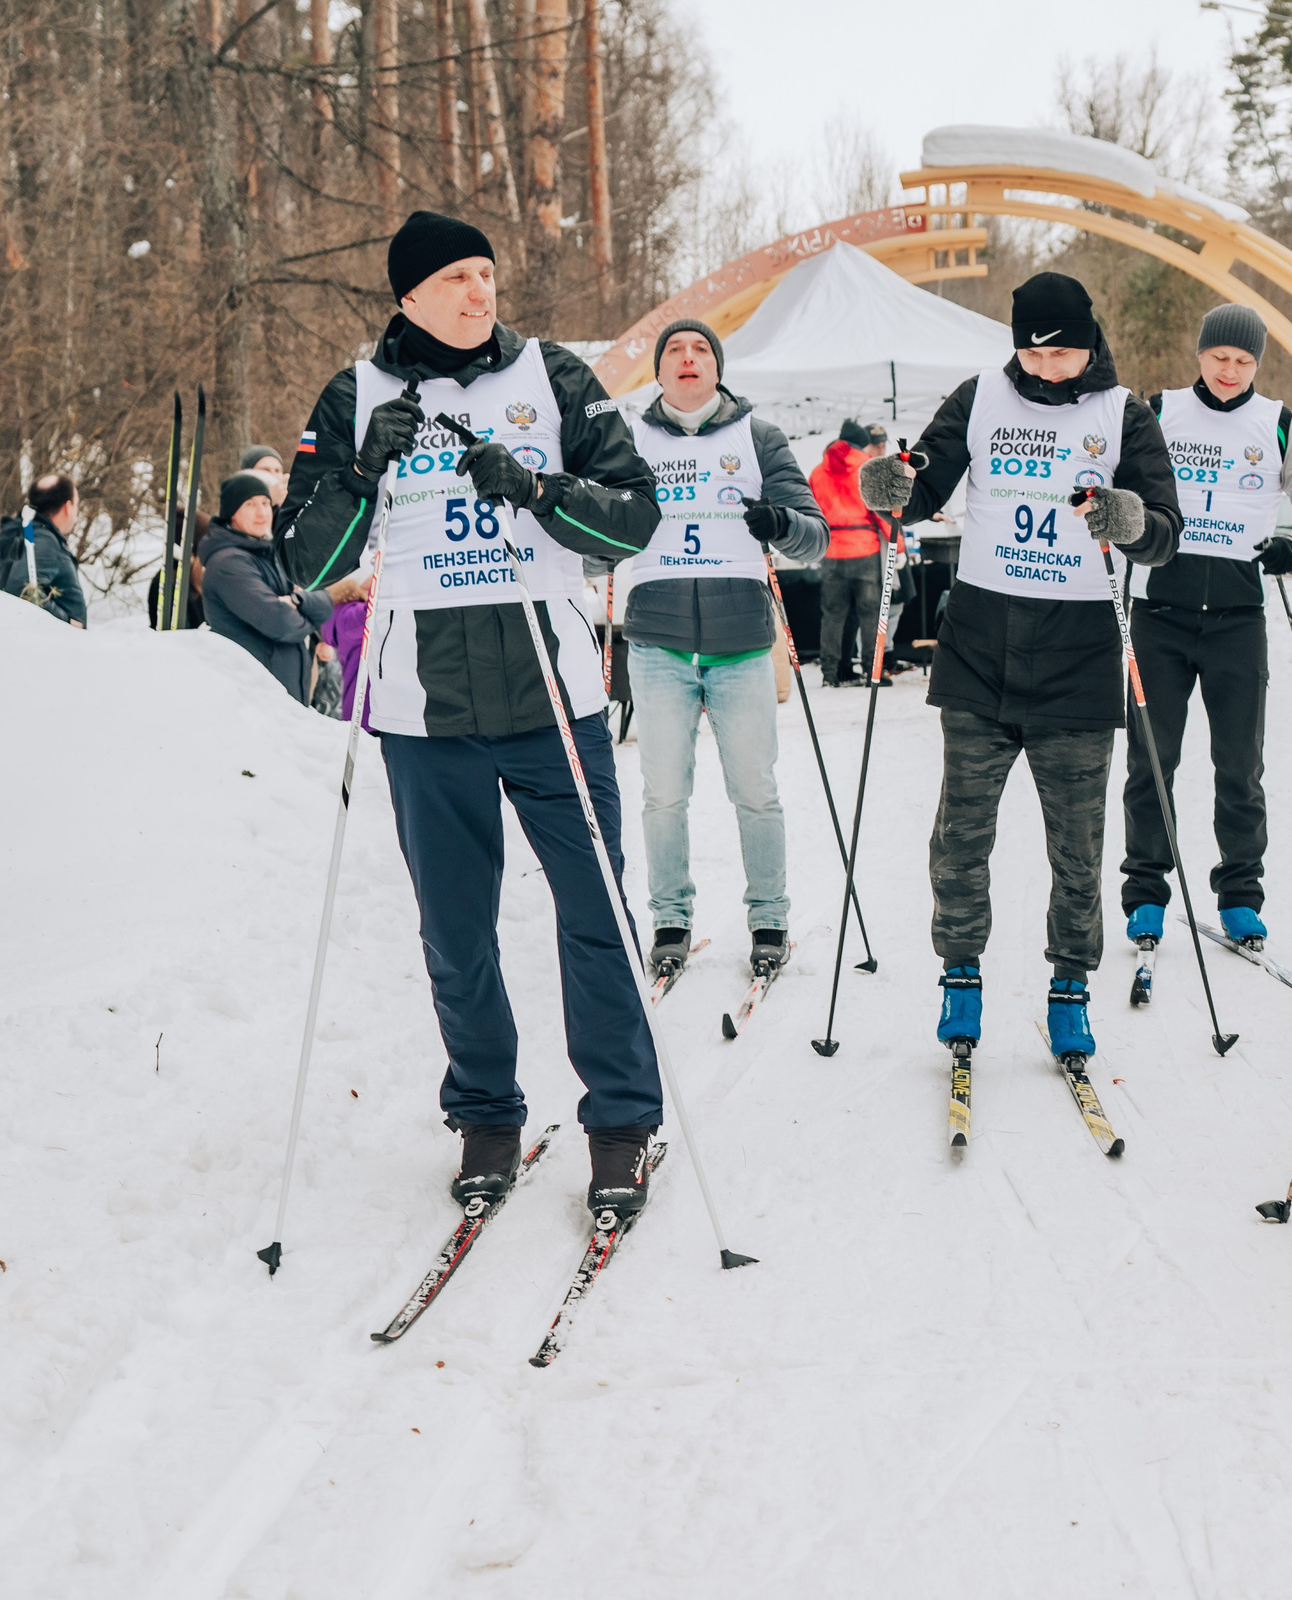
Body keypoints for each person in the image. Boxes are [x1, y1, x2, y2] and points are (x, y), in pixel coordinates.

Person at [278, 210, 666, 1216]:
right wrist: (362, 472)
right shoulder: (355, 394)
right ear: (407, 294)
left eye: (486, 273)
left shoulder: (552, 377)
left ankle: (621, 1122)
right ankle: (486, 1115)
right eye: (455, 276)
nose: (479, 291)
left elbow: (633, 518)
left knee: (597, 916)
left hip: (552, 696)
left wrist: (538, 488)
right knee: (457, 931)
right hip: (424, 706)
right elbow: (306, 565)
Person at [857, 272, 1182, 1064]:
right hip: (980, 642)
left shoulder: (1123, 412)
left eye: (1064, 351)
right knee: (960, 833)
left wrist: (1128, 518)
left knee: (1076, 844)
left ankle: (1070, 984)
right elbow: (919, 486)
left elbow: (1166, 532)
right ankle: (959, 973)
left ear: (1090, 340)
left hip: (1077, 652)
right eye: (1033, 353)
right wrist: (890, 485)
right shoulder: (979, 399)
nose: (1047, 367)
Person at [608, 318, 828, 986]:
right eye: (674, 349)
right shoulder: (629, 437)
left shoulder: (758, 435)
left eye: (701, 348)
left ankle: (769, 921)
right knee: (664, 793)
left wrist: (780, 523)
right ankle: (669, 922)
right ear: (658, 370)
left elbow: (814, 537)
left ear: (717, 367)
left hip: (739, 643)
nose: (687, 356)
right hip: (657, 640)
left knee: (755, 790)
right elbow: (596, 534)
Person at [1118, 303, 1292, 950]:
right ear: (1200, 354)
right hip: (1159, 612)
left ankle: (1240, 894)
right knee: (1151, 760)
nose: (1230, 371)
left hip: (1238, 618)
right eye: (1220, 358)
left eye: (1244, 361)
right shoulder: (1157, 411)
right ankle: (1146, 892)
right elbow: (1120, 490)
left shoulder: (1275, 423)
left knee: (1239, 763)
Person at [201, 470, 366, 703]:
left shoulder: (269, 553)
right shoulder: (229, 564)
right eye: (250, 504)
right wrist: (307, 619)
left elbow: (325, 604)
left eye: (265, 503)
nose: (261, 513)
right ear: (232, 514)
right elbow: (280, 622)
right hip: (252, 699)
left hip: (282, 696)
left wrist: (297, 602)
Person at [810, 417, 888, 685]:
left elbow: (810, 513)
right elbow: (882, 512)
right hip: (864, 550)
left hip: (831, 552)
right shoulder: (868, 468)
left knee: (832, 616)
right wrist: (897, 544)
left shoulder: (818, 472)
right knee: (870, 615)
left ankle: (830, 674)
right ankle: (872, 672)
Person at [0, 473, 87, 626]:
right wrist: (68, 622)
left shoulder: (29, 534)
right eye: (76, 504)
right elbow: (21, 588)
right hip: (52, 642)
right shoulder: (44, 541)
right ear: (67, 507)